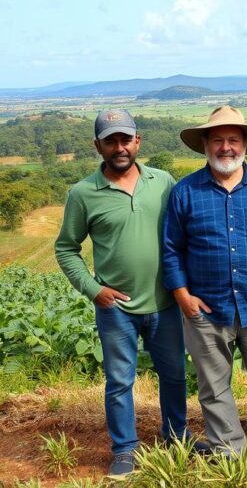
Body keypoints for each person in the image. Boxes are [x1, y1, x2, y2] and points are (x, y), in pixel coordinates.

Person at [55, 109, 207, 477]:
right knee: (120, 381)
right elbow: (66, 248)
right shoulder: (83, 193)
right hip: (116, 309)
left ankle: (176, 435)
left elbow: (182, 235)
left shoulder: (164, 182)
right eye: (111, 140)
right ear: (98, 146)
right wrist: (93, 289)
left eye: (126, 139)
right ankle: (124, 449)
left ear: (138, 141)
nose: (119, 147)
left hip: (166, 302)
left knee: (173, 375)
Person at [161, 105, 247, 457]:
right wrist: (183, 296)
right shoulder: (185, 192)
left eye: (233, 140)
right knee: (213, 384)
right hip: (206, 307)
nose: (226, 147)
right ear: (205, 144)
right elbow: (172, 248)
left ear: (246, 144)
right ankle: (229, 449)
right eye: (218, 140)